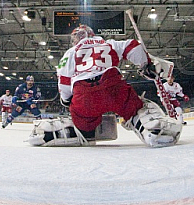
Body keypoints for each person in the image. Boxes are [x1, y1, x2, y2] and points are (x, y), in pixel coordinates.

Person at [53, 24, 181, 147]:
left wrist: (67, 100)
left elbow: (64, 81)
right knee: (135, 109)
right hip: (114, 88)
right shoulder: (108, 43)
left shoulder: (70, 52)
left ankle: (84, 134)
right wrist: (145, 64)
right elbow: (133, 46)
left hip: (84, 95)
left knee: (83, 122)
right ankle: (152, 130)